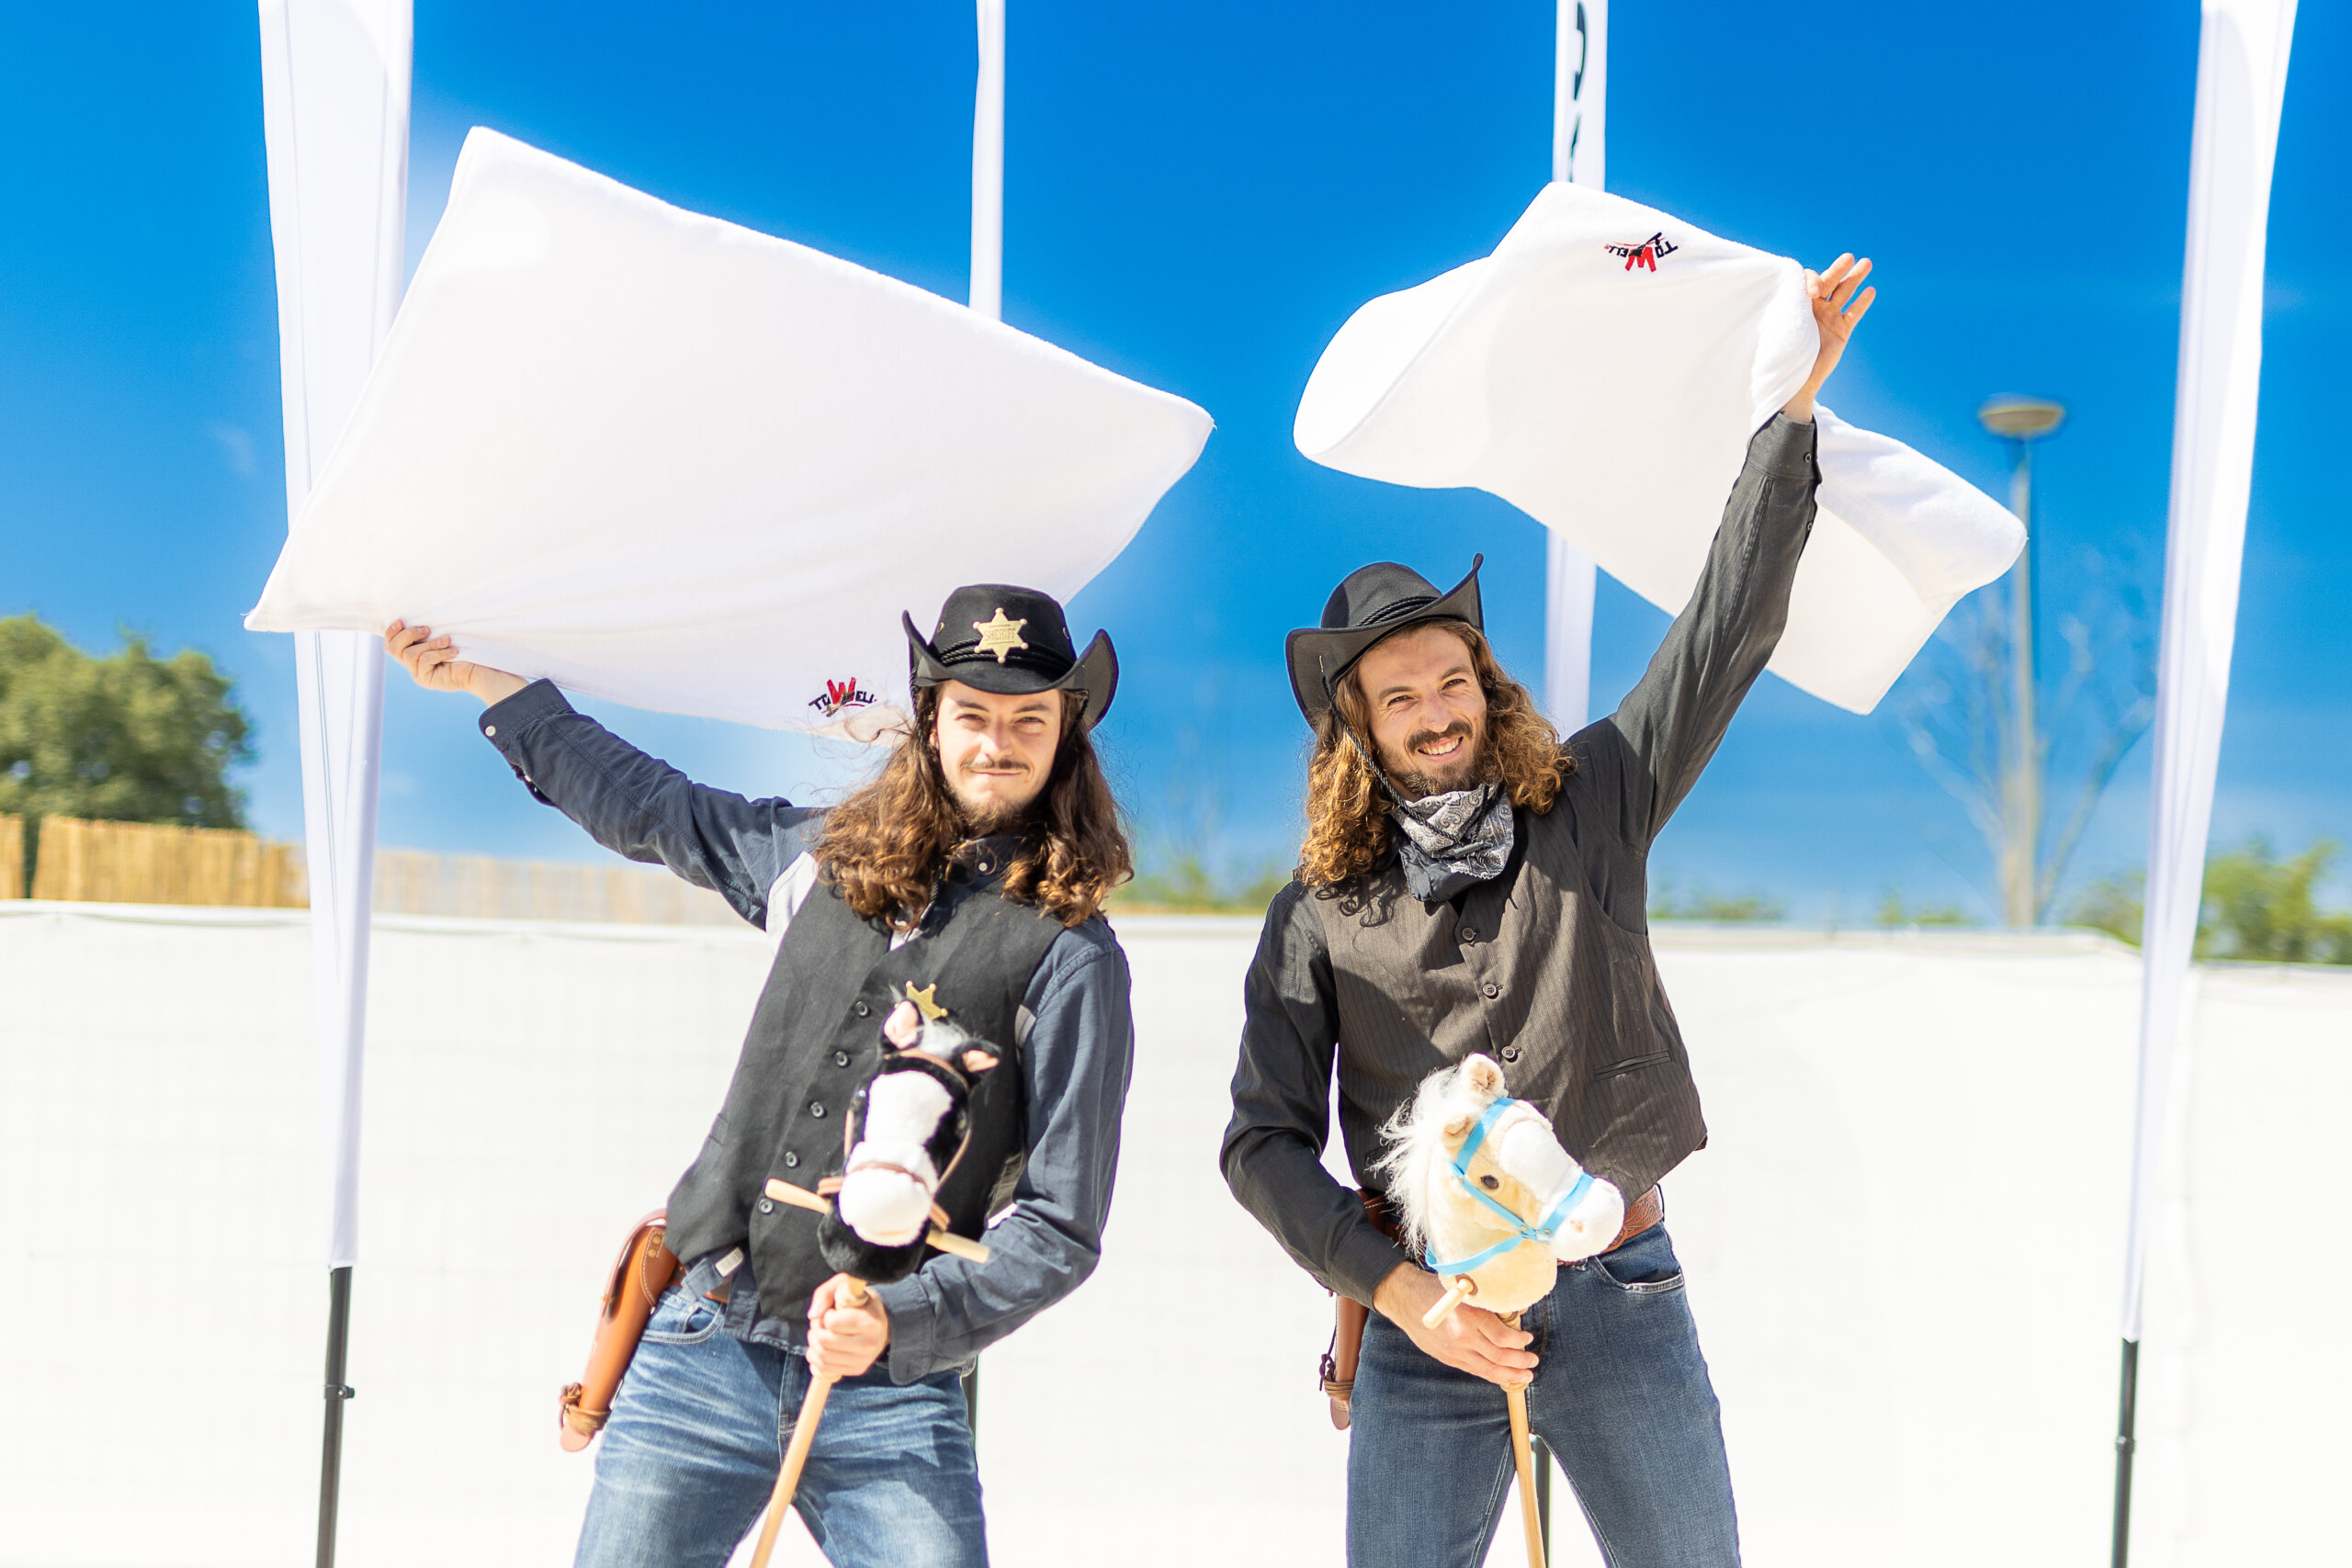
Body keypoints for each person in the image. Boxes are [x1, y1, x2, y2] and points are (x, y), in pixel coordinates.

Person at [1221, 254, 1877, 1568]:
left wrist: (1790, 412)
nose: (1434, 711)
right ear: (1356, 729)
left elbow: (1722, 631)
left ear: (1486, 682)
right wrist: (1395, 1295)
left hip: (1621, 1292)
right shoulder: (1315, 913)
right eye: (1398, 698)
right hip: (1433, 1318)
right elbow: (1262, 1142)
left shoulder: (1596, 801)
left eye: (1450, 679)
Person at [386, 583, 1136, 1568]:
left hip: (895, 1397)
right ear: (931, 720)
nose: (997, 742)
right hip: (703, 1350)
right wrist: (500, 688)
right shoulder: (813, 860)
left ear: (1064, 735)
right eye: (973, 715)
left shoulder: (1073, 958)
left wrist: (898, 1321)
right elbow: (656, 806)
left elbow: (1059, 1227)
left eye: (1027, 720)